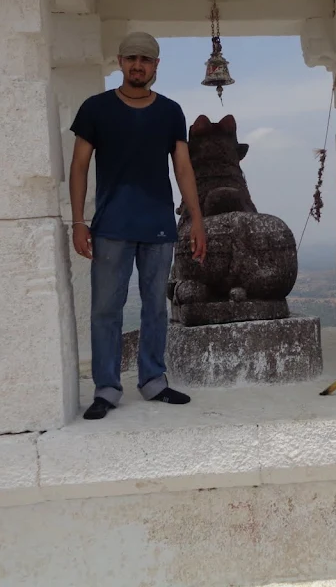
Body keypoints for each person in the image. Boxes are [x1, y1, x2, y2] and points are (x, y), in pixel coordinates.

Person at [68, 31, 207, 420]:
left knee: (155, 309)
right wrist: (78, 221)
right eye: (131, 58)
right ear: (119, 61)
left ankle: (153, 382)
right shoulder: (95, 109)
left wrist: (196, 219)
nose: (137, 65)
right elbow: (79, 167)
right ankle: (107, 389)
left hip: (158, 225)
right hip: (110, 225)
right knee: (106, 310)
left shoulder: (170, 112)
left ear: (156, 66)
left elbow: (183, 167)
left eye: (145, 59)